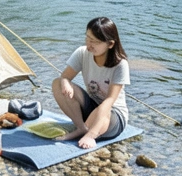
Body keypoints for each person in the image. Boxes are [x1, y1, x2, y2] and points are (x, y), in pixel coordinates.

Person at [52, 16, 129, 149]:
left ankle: (89, 132)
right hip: (91, 107)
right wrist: (65, 84)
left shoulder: (120, 64)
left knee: (104, 111)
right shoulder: (82, 53)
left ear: (110, 44)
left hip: (112, 116)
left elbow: (109, 101)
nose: (89, 44)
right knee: (57, 83)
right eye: (87, 38)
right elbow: (65, 77)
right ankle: (81, 128)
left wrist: (91, 135)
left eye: (94, 41)